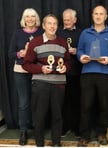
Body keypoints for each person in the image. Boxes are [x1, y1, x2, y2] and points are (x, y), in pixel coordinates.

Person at [22, 14, 70, 147]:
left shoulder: (63, 42)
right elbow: (26, 64)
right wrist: (41, 68)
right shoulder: (35, 42)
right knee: (39, 116)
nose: (52, 26)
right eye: (49, 23)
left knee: (57, 116)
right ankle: (39, 143)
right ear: (43, 25)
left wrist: (65, 68)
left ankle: (56, 143)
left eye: (55, 23)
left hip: (59, 84)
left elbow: (67, 62)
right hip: (40, 83)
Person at [77, 5, 108, 146]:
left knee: (104, 106)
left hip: (106, 74)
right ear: (92, 15)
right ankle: (84, 135)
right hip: (87, 73)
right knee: (85, 106)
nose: (99, 16)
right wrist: (81, 56)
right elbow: (79, 50)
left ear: (106, 16)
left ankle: (102, 133)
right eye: (96, 13)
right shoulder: (85, 33)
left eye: (101, 14)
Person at [8, 8, 43, 146]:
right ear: (24, 19)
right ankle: (23, 130)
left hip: (37, 71)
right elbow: (10, 54)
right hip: (20, 71)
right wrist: (21, 54)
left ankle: (37, 128)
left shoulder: (41, 32)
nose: (30, 19)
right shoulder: (17, 34)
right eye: (27, 16)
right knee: (24, 103)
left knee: (38, 101)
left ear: (36, 18)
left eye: (33, 16)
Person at [57, 8, 82, 137]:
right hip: (60, 73)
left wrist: (77, 51)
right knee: (62, 102)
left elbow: (85, 50)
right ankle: (64, 127)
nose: (66, 22)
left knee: (76, 102)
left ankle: (76, 127)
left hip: (76, 73)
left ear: (75, 20)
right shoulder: (58, 31)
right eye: (64, 19)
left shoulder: (81, 33)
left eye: (69, 19)